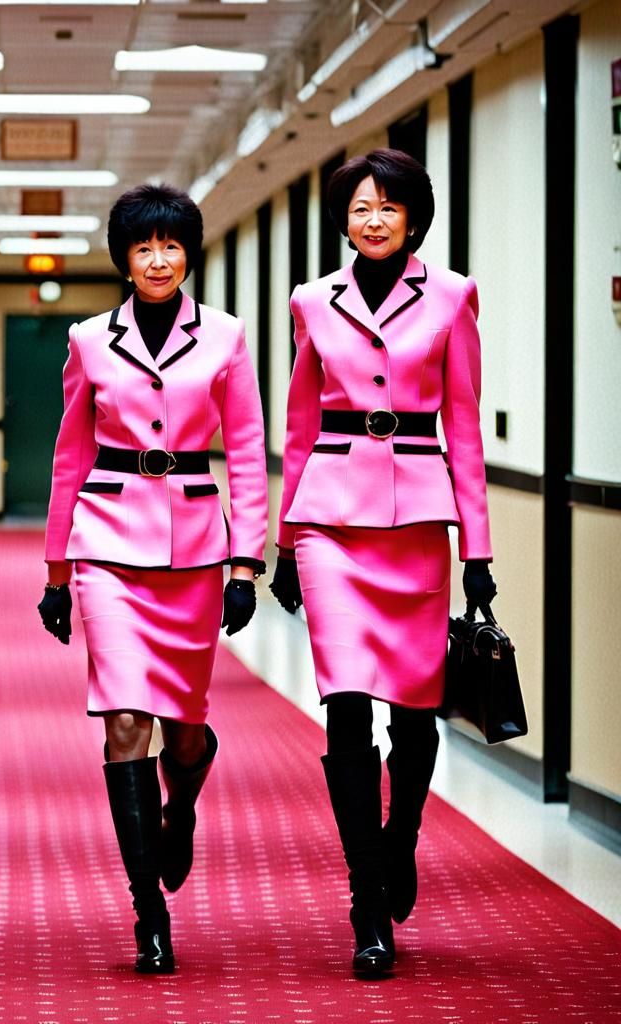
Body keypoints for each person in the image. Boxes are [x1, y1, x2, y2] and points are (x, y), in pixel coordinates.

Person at [271, 148, 497, 976]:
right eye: (359, 206)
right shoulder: (310, 301)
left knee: (413, 710)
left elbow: (465, 429)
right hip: (330, 516)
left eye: (388, 207)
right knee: (346, 705)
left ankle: (399, 842)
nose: (372, 218)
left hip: (416, 521)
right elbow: (299, 427)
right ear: (344, 217)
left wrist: (478, 548)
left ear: (413, 217)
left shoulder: (453, 296)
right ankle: (368, 901)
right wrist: (288, 542)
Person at [38, 184, 268, 974]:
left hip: (197, 548)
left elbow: (245, 452)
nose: (159, 259)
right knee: (124, 720)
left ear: (188, 253)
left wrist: (247, 562)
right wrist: (57, 569)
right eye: (143, 248)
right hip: (107, 540)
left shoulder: (228, 338)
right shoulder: (91, 340)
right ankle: (148, 912)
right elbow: (70, 455)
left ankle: (182, 808)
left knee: (186, 726)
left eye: (171, 245)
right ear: (124, 260)